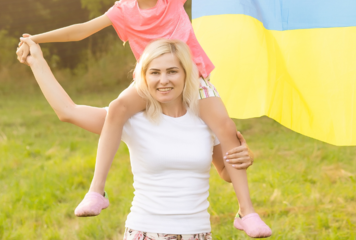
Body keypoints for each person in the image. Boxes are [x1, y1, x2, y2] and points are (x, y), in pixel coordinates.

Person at [16, 0, 272, 237]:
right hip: (152, 81)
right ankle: (97, 190)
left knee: (225, 126)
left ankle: (246, 212)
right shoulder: (123, 12)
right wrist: (39, 39)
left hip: (195, 76)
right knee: (119, 107)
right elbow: (81, 31)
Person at [23, 37, 257, 239]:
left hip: (198, 233)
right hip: (145, 232)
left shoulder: (206, 121)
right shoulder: (133, 120)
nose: (163, 80)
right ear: (144, 77)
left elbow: (226, 173)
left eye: (172, 71)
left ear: (187, 74)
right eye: (154, 72)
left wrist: (246, 157)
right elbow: (68, 111)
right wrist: (37, 62)